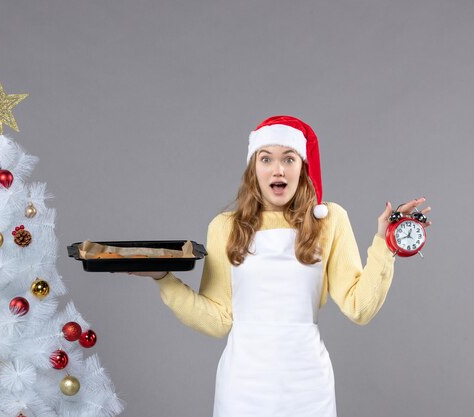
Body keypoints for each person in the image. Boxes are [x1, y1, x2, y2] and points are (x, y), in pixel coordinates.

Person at [130, 115, 432, 417]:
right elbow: (217, 320)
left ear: (302, 167)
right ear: (254, 169)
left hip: (308, 385)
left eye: (289, 159)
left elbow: (359, 308)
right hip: (243, 386)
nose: (278, 169)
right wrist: (163, 277)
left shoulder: (330, 220)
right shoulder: (225, 227)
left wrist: (386, 243)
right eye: (266, 159)